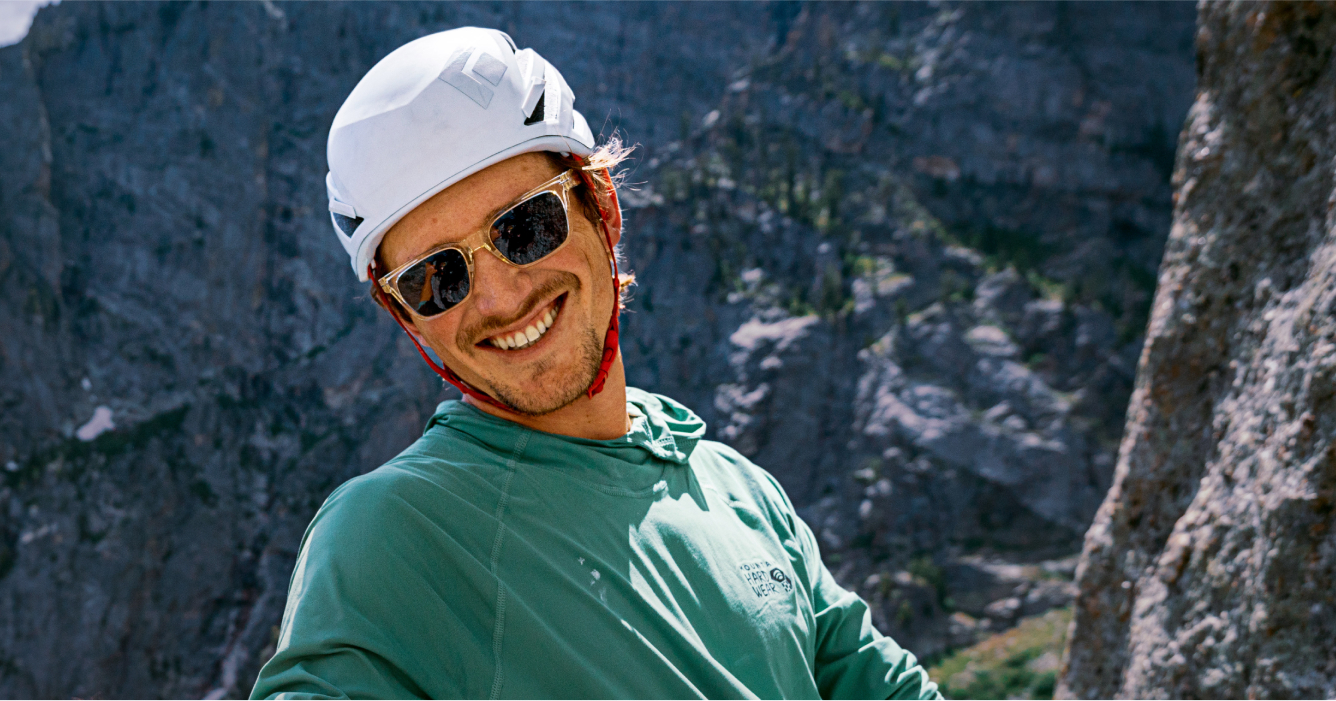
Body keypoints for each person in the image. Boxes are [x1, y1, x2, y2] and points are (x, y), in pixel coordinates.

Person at [250, 27, 942, 700]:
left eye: (524, 226)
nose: (501, 296)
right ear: (406, 317)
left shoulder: (741, 492)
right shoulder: (390, 533)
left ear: (601, 203)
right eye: (437, 278)